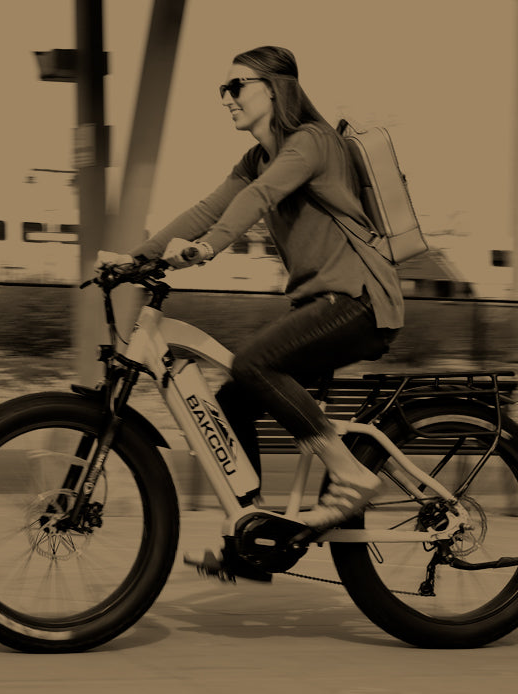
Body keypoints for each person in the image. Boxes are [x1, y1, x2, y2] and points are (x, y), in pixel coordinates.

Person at [98, 46, 404, 574]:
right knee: (236, 396)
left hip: (359, 302)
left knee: (253, 363)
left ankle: (350, 475)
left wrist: (210, 247)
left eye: (236, 86)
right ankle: (255, 536)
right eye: (224, 89)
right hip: (322, 304)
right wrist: (137, 257)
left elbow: (258, 199)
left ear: (275, 87)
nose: (227, 99)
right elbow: (208, 207)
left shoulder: (313, 141)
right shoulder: (256, 159)